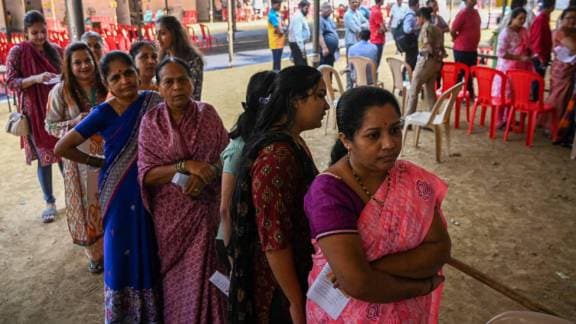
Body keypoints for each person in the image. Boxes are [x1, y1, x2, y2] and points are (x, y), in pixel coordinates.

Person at [304, 86, 450, 322]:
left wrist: (373, 267)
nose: (389, 143)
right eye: (373, 135)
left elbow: (439, 250)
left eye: (395, 130)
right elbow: (358, 285)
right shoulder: (329, 194)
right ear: (346, 140)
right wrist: (421, 287)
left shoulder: (410, 179)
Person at [54, 51, 163, 322]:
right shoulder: (102, 112)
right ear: (106, 82)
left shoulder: (153, 100)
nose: (125, 80)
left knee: (150, 245)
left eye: (128, 72)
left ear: (136, 73)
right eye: (116, 77)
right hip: (117, 190)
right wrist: (97, 161)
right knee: (119, 250)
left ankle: (153, 313)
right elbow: (62, 146)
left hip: (152, 186)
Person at [228, 66, 329, 323]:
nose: (326, 105)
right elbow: (274, 240)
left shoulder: (292, 142)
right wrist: (295, 301)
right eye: (319, 95)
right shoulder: (277, 157)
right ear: (296, 101)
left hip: (296, 273)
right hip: (279, 288)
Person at [138, 57, 228, 323]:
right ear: (159, 86)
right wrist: (186, 166)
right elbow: (147, 174)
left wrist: (207, 172)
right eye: (169, 82)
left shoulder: (207, 114)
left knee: (213, 276)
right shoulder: (151, 123)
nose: (177, 87)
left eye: (182, 80)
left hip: (207, 217)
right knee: (179, 282)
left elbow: (227, 157)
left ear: (192, 83)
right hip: (173, 223)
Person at [45, 42, 108, 273]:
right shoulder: (60, 91)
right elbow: (50, 126)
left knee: (109, 201)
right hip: (79, 161)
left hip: (109, 154)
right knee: (88, 205)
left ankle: (113, 248)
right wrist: (75, 123)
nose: (84, 66)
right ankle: (95, 255)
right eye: (77, 62)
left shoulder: (105, 85)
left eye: (87, 60)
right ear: (69, 66)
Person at [6, 10, 63, 223]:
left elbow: (67, 74)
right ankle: (49, 202)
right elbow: (10, 82)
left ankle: (76, 196)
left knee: (66, 153)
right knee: (44, 159)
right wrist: (36, 79)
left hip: (58, 110)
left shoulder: (56, 50)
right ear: (26, 33)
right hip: (35, 114)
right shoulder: (18, 52)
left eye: (43, 31)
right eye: (35, 32)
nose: (40, 36)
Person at [219, 71, 277, 263]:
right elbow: (225, 209)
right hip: (237, 241)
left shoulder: (270, 141)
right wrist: (232, 255)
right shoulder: (239, 148)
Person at [493, 8, 533, 128]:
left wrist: (529, 55)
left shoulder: (525, 31)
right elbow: (500, 53)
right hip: (507, 68)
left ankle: (508, 118)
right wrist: (518, 58)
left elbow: (528, 45)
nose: (522, 21)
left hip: (521, 68)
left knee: (516, 93)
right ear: (513, 18)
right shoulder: (506, 32)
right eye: (520, 18)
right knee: (505, 93)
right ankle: (500, 120)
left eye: (524, 19)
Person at [406, 7, 445, 116]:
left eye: (417, 18)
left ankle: (408, 118)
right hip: (436, 62)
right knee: (430, 92)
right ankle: (432, 118)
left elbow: (427, 44)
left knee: (413, 90)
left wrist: (430, 53)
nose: (416, 21)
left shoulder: (426, 28)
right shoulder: (436, 28)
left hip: (426, 60)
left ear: (422, 17)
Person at [156, 15, 204, 100]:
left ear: (174, 34)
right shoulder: (163, 58)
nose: (158, 38)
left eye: (163, 33)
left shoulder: (193, 59)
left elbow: (194, 93)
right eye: (156, 33)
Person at [548, 7, 576, 145]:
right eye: (569, 17)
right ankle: (554, 129)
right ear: (562, 18)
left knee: (566, 100)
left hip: (570, 71)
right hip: (562, 71)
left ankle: (561, 129)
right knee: (559, 98)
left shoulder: (572, 31)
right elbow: (572, 46)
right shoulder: (561, 32)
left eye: (575, 18)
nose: (572, 20)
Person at [450, 0, 481, 97]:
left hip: (472, 49)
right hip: (461, 50)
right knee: (460, 74)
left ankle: (469, 95)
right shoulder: (462, 13)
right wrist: (455, 39)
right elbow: (453, 30)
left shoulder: (476, 13)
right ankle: (455, 95)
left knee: (470, 74)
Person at [344, 0, 369, 87]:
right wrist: (362, 27)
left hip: (358, 42)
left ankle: (357, 84)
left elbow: (367, 23)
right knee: (350, 65)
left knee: (358, 64)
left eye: (356, 2)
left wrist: (361, 27)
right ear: (349, 3)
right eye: (353, 2)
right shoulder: (347, 15)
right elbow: (355, 29)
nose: (355, 4)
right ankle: (349, 86)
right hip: (351, 43)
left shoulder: (358, 13)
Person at [530, 0, 555, 79]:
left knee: (539, 81)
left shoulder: (544, 19)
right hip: (539, 57)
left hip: (542, 56)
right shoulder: (540, 20)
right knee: (537, 82)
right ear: (552, 7)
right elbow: (537, 40)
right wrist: (541, 58)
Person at [288, 0, 311, 66]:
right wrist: (302, 49)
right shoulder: (298, 17)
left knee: (302, 65)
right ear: (301, 7)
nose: (307, 10)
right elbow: (298, 34)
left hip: (298, 44)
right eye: (306, 8)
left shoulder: (300, 15)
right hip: (297, 44)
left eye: (308, 8)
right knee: (301, 66)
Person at [319, 2, 340, 66]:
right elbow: (319, 35)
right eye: (327, 8)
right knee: (324, 68)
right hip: (326, 51)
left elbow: (334, 31)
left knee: (330, 68)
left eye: (330, 8)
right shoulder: (320, 20)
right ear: (322, 9)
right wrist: (324, 48)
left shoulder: (329, 19)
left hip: (332, 50)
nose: (330, 10)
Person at [268, 0, 286, 72]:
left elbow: (282, 26)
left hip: (279, 43)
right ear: (273, 4)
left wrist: (283, 28)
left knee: (277, 63)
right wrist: (283, 29)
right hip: (276, 43)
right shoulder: (272, 15)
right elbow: (280, 31)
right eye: (279, 5)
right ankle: (275, 80)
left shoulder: (277, 14)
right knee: (276, 64)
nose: (280, 6)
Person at [402, 0, 420, 70]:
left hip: (410, 42)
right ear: (417, 4)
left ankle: (406, 76)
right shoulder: (410, 15)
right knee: (411, 62)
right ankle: (405, 77)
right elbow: (407, 29)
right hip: (410, 43)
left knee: (410, 61)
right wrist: (416, 28)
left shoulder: (408, 12)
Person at [369, 0, 387, 68]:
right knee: (376, 63)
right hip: (377, 40)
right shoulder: (377, 12)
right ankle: (374, 78)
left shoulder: (375, 10)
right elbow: (382, 28)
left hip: (375, 39)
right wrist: (385, 29)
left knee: (375, 62)